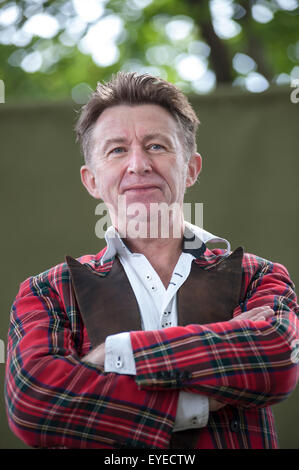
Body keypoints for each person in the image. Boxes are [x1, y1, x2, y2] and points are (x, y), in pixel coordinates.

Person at [5, 72, 299, 449]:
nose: (139, 164)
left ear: (191, 168)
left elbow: (275, 360)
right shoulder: (48, 292)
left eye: (157, 146)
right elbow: (35, 405)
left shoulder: (258, 276)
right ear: (91, 180)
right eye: (117, 150)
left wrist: (110, 355)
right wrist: (200, 399)